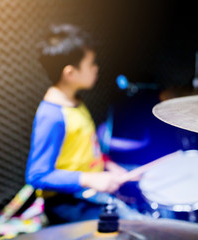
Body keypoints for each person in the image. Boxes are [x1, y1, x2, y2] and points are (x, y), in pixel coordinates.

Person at [25, 23, 145, 225]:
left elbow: (87, 149)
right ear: (70, 73)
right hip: (67, 201)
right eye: (91, 64)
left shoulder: (75, 101)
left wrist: (109, 164)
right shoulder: (52, 115)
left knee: (145, 180)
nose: (96, 68)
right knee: (135, 225)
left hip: (90, 181)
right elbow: (37, 175)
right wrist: (90, 179)